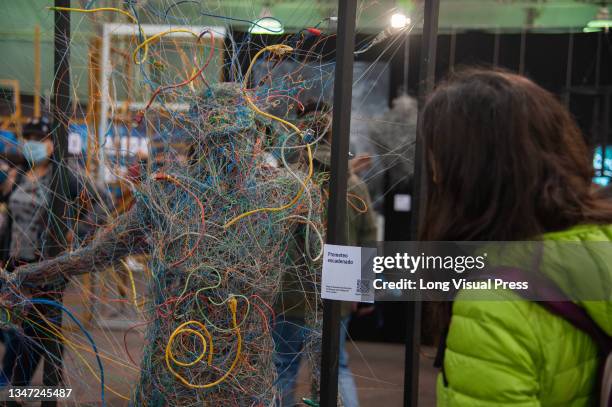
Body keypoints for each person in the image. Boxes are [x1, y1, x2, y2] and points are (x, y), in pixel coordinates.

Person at [420, 69, 612, 406]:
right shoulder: (600, 245)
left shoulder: (493, 304)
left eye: (438, 156)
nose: (433, 173)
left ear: (468, 170)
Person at [273, 102, 377, 407]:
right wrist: (366, 291)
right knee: (336, 368)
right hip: (340, 286)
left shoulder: (287, 183)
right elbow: (368, 237)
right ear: (334, 136)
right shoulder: (353, 185)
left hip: (290, 288)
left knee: (283, 366)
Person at [0, 117, 108, 387]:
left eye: (40, 139)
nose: (32, 144)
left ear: (52, 144)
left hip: (44, 266)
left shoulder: (63, 175)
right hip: (15, 264)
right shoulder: (20, 172)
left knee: (35, 330)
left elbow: (101, 202)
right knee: (31, 329)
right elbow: (12, 215)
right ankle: (40, 383)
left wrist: (78, 233)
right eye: (29, 138)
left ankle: (19, 388)